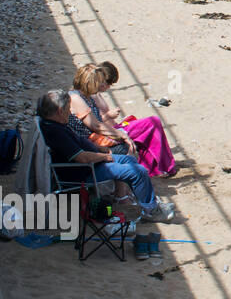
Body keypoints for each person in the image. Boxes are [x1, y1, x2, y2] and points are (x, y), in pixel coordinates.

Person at [37, 90, 175, 222]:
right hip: (85, 170)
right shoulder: (56, 132)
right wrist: (105, 157)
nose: (70, 112)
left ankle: (149, 203)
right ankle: (151, 211)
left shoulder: (55, 124)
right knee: (137, 171)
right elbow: (82, 157)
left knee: (130, 159)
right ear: (60, 111)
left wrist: (102, 151)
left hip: (91, 163)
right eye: (68, 109)